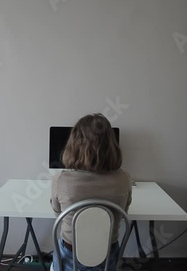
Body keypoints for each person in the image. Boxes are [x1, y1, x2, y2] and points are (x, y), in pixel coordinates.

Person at [50, 113, 132, 271]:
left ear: (74, 144)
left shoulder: (61, 179)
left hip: (69, 257)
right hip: (108, 256)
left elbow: (57, 212)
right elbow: (124, 212)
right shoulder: (124, 178)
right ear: (111, 144)